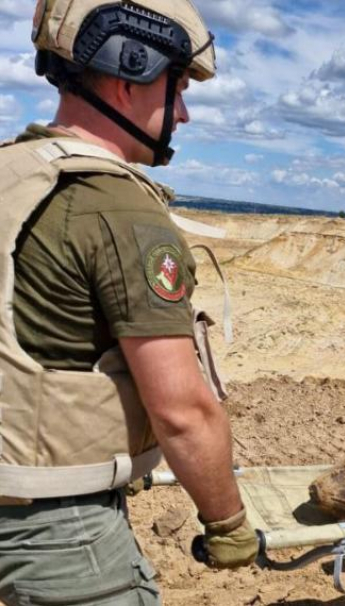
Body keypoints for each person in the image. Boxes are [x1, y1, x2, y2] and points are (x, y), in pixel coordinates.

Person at [0, 1, 258, 603]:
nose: (186, 115)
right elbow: (182, 412)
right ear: (128, 74)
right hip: (54, 527)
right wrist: (228, 525)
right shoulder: (117, 207)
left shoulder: (12, 172)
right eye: (179, 89)